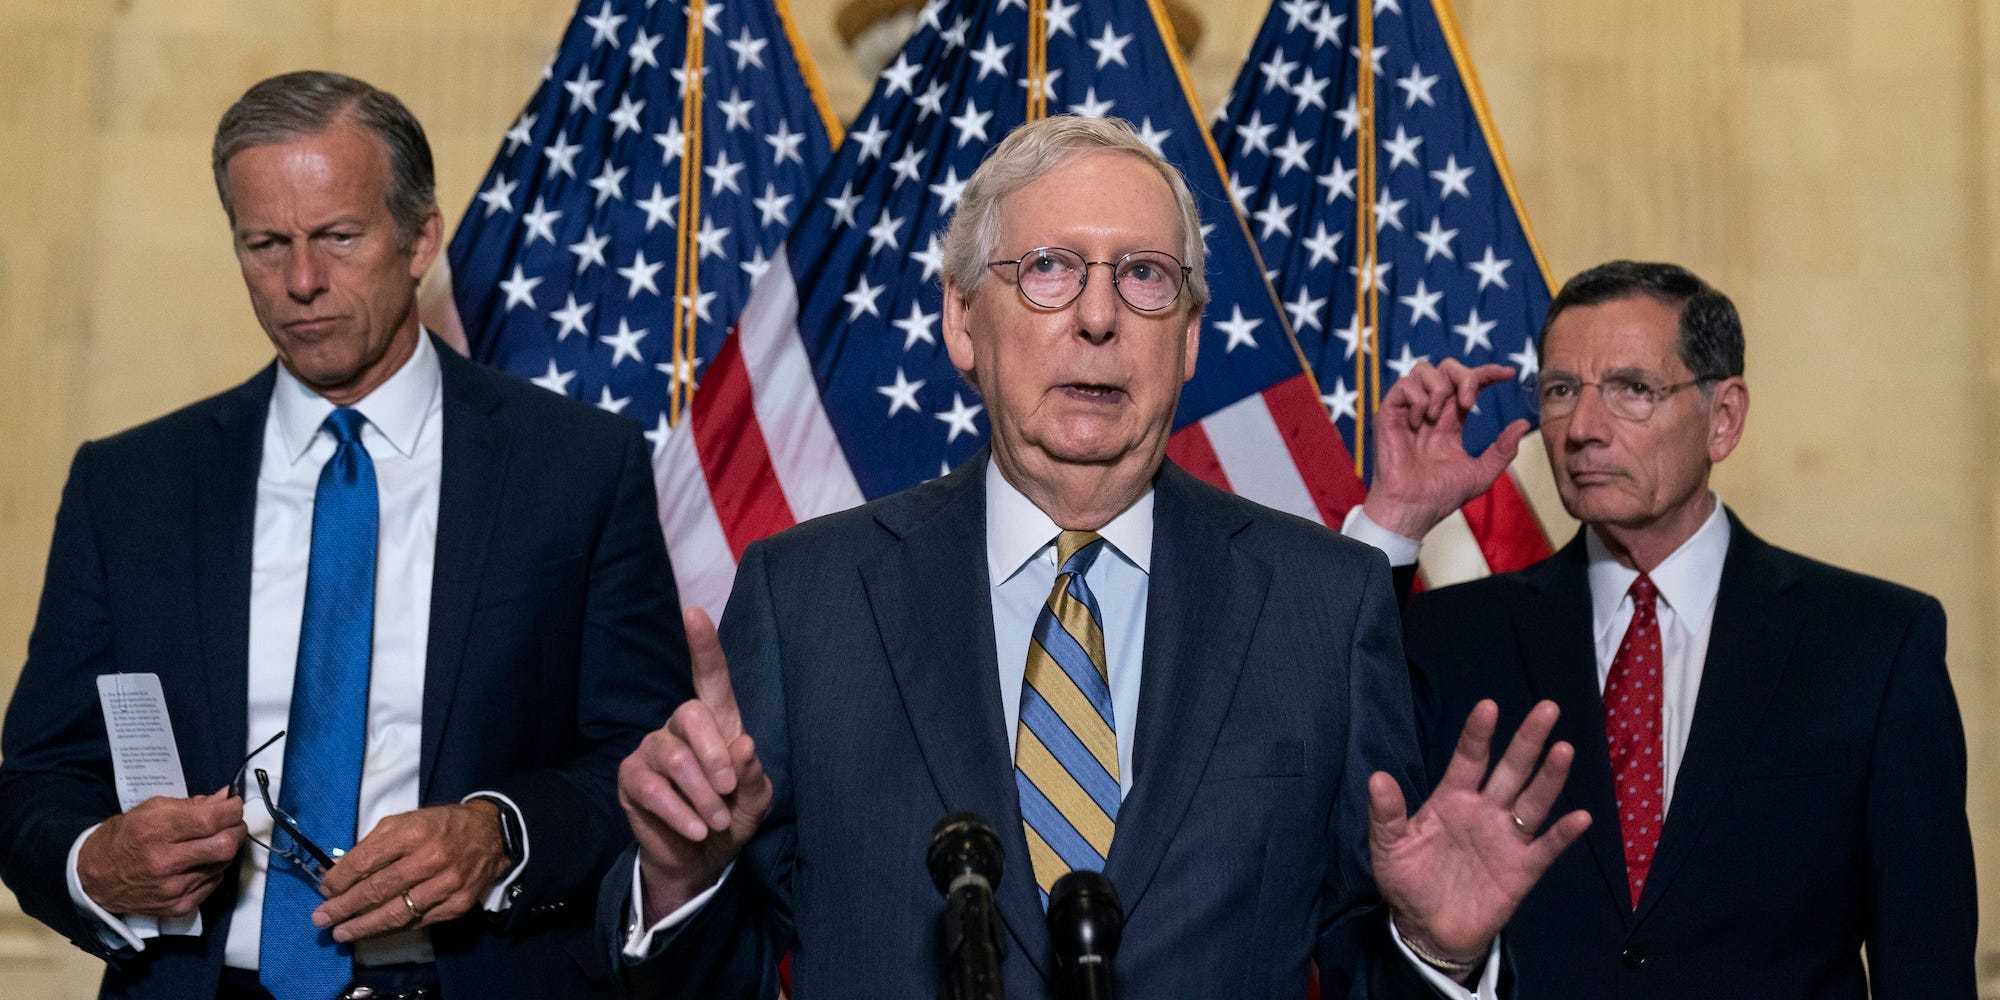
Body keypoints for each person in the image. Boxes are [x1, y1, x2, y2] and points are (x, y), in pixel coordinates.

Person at [602, 115, 1588, 999]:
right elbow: (714, 971)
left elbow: (1360, 959)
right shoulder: (804, 598)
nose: (1098, 317)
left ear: (1192, 336)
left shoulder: (1320, 605)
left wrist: (1432, 948)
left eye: (1143, 276)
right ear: (959, 321)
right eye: (1047, 269)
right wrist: (683, 882)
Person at [0, 71, 687, 1000]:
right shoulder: (129, 487)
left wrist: (503, 831)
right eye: (265, 244)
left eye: (337, 237)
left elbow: (642, 754)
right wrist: (97, 860)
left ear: (420, 238)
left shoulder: (577, 467)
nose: (301, 281)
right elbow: (36, 781)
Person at [1349, 259, 1977, 997]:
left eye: (1633, 391)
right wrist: (1395, 521)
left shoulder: (1875, 644)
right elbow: (1308, 766)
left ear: (1724, 417)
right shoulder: (1450, 636)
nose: (1582, 429)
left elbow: (1924, 965)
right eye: (1559, 392)